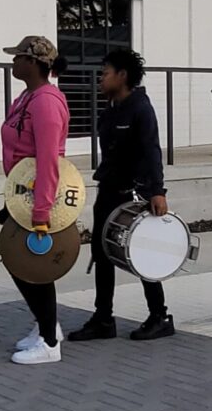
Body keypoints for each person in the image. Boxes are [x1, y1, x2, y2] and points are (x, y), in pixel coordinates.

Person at [67, 49, 174, 342]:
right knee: (102, 253)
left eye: (105, 73)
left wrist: (157, 192)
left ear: (122, 75)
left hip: (134, 194)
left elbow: (152, 150)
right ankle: (103, 320)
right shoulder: (112, 108)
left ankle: (160, 316)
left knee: (142, 253)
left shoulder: (141, 108)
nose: (101, 79)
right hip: (108, 191)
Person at [0, 36, 70, 364]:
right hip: (19, 195)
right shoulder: (26, 97)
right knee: (19, 261)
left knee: (33, 266)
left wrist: (42, 211)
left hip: (35, 197)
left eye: (18, 58)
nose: (13, 63)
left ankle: (49, 344)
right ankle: (47, 325)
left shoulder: (46, 102)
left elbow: (48, 160)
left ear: (33, 62)